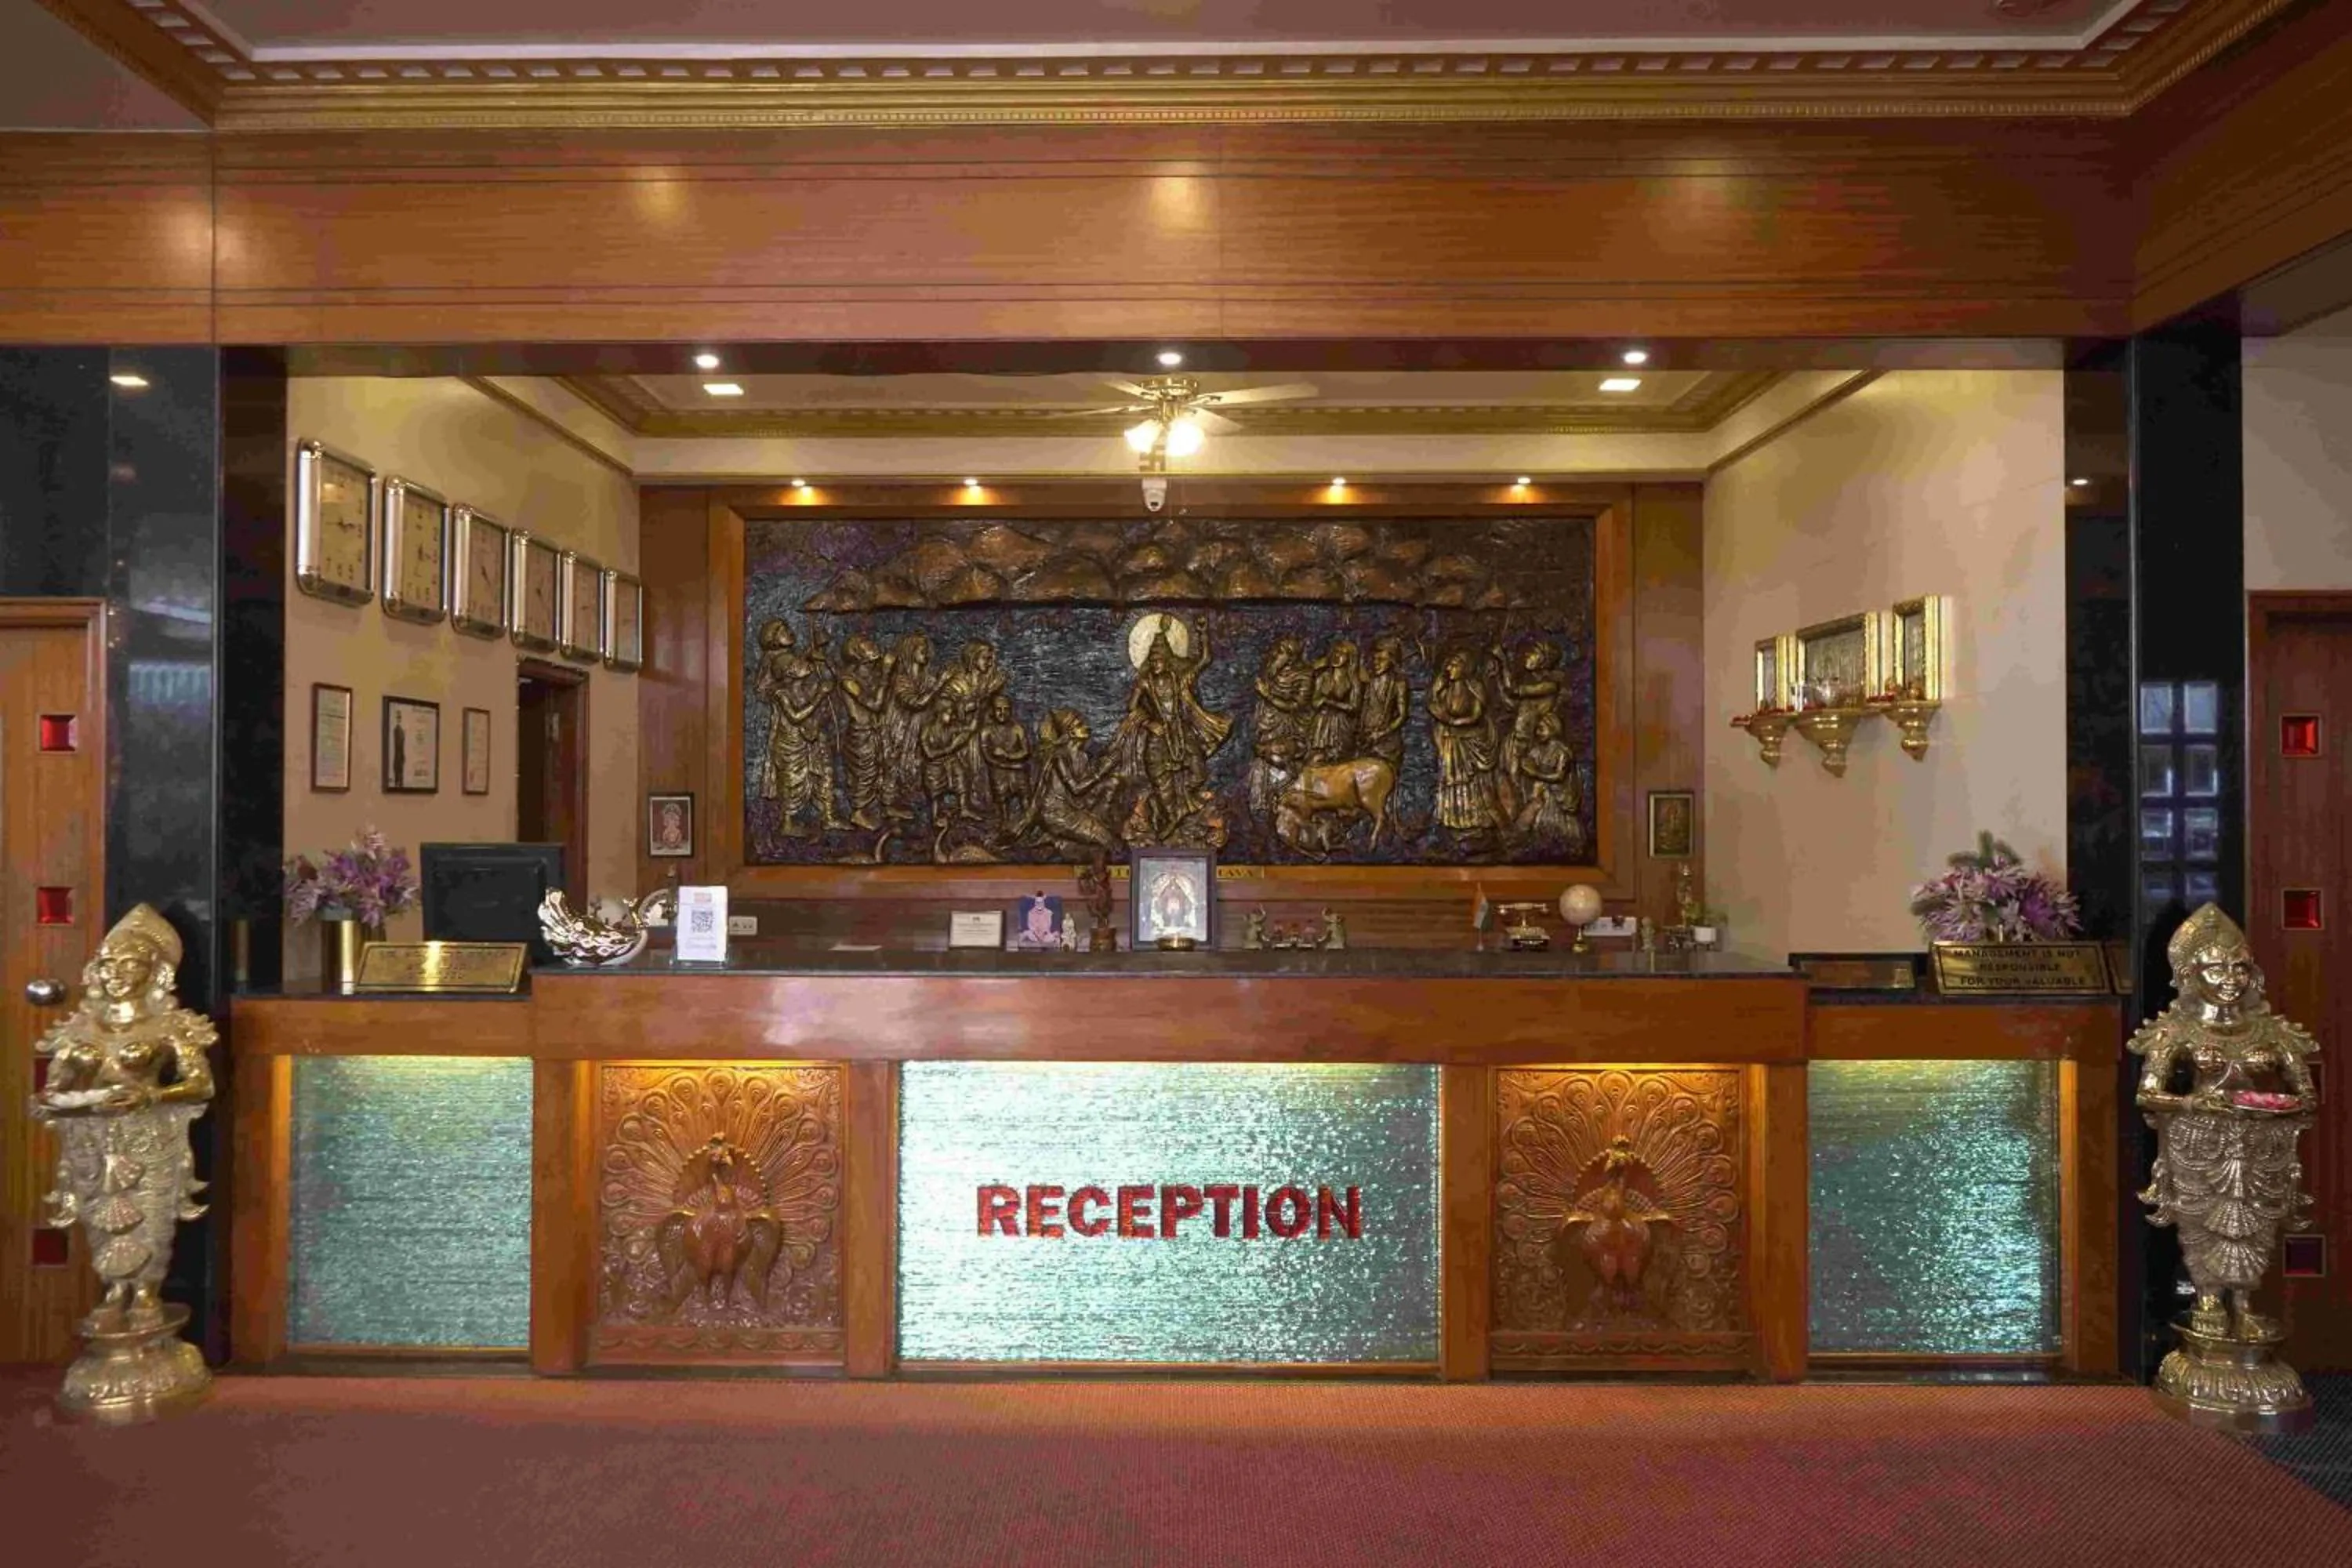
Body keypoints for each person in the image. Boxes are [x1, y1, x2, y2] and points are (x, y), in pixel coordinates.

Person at [2131, 904, 2318, 1343]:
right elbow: (2147, 1094)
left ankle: (2246, 1304)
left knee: (2254, 1221)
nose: (2230, 979)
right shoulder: (2175, 1032)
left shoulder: (2271, 1032)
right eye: (2217, 970)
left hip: (2261, 1142)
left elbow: (2307, 1095)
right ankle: (2209, 1301)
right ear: (2191, 975)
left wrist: (2282, 1102)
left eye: (2239, 968)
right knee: (2203, 1222)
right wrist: (2195, 1101)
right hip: (2198, 1139)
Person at [1430, 648, 1501, 839]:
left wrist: (1454, 722)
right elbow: (1437, 707)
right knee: (1451, 781)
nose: (1449, 668)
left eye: (1455, 665)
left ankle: (1474, 821)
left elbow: (1476, 715)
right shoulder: (1446, 689)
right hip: (1450, 742)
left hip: (1468, 742)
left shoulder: (1474, 687)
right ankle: (1455, 822)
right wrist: (1437, 698)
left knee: (1469, 782)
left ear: (1465, 668)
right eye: (1449, 665)